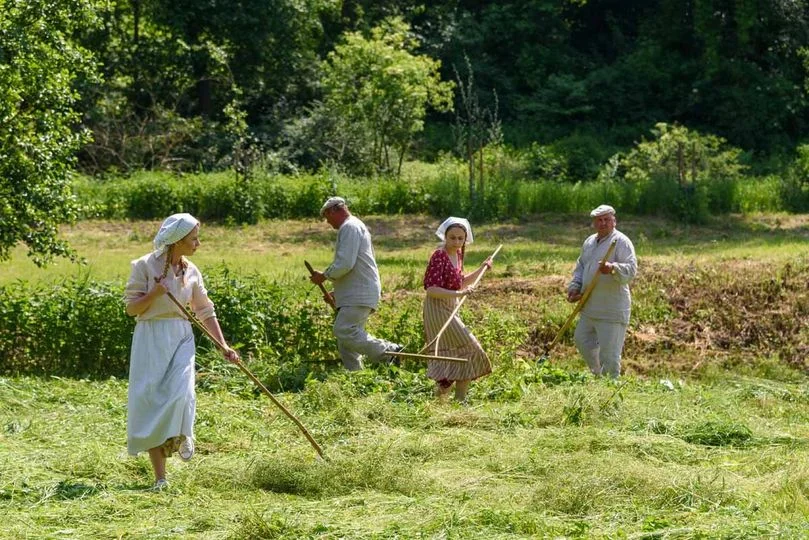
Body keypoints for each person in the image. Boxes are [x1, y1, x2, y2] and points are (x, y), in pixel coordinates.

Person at [124, 213, 239, 490]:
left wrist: (223, 344)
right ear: (176, 241)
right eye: (193, 239)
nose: (198, 243)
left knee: (182, 393)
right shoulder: (143, 266)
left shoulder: (192, 270)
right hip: (151, 337)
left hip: (180, 335)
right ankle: (160, 478)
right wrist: (155, 294)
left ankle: (185, 432)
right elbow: (131, 309)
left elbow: (204, 309)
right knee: (152, 402)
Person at [309, 197, 402, 371]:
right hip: (357, 292)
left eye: (327, 216)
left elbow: (345, 263)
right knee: (346, 342)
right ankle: (356, 377)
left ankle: (388, 351)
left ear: (334, 211)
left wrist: (324, 275)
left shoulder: (350, 227)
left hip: (360, 293)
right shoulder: (353, 226)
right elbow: (355, 264)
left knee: (344, 330)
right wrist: (339, 292)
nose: (327, 222)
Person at [422, 217, 493, 403]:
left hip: (451, 306)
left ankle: (452, 402)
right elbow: (432, 290)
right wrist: (459, 295)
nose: (456, 242)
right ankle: (447, 401)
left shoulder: (458, 255)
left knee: (459, 355)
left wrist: (482, 268)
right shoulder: (439, 255)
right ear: (445, 236)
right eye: (452, 238)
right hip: (437, 310)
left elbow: (459, 282)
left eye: (460, 238)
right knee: (470, 349)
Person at [566, 204, 637, 378]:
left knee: (610, 355)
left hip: (611, 309)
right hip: (590, 305)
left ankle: (610, 388)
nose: (603, 223)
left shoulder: (621, 242)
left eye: (607, 219)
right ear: (594, 223)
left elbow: (631, 270)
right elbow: (581, 266)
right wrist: (574, 287)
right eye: (599, 220)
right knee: (582, 340)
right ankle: (599, 376)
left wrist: (613, 268)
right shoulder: (589, 242)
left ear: (614, 221)